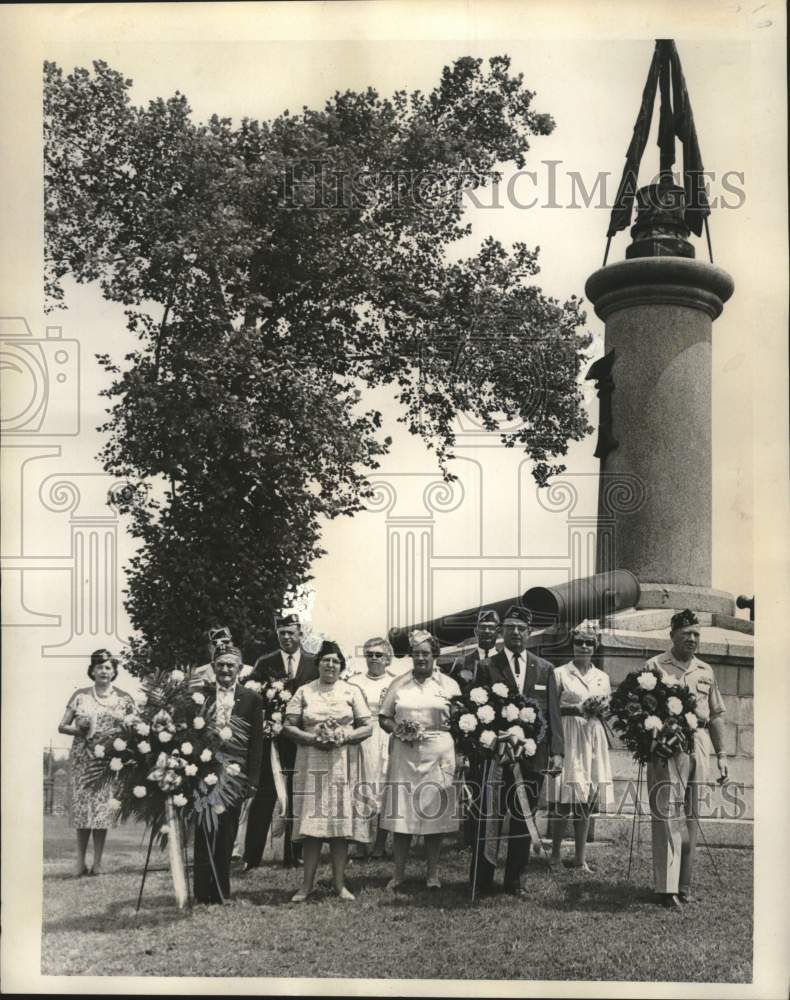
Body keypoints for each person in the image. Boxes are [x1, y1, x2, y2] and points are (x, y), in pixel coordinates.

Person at [470, 605, 564, 897]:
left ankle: (515, 881)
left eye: (521, 629)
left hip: (532, 755)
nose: (516, 633)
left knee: (524, 815)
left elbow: (552, 713)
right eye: (510, 627)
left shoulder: (544, 668)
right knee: (490, 816)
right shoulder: (488, 666)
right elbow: (477, 711)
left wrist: (557, 752)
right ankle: (482, 879)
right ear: (502, 632)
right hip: (497, 757)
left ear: (529, 632)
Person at [644, 608, 727, 909]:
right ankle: (667, 889)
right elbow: (642, 711)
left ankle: (685, 884)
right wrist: (655, 741)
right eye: (686, 634)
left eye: (696, 634)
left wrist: (722, 755)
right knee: (667, 813)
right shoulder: (655, 666)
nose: (692, 639)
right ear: (672, 636)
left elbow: (716, 716)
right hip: (669, 745)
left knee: (692, 814)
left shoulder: (706, 670)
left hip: (699, 741)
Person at [282, 640, 372, 901]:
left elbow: (367, 727)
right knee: (312, 824)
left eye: (335, 661)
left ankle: (339, 885)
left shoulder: (351, 691)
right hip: (311, 761)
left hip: (342, 763)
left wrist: (345, 735)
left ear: (341, 666)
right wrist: (312, 738)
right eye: (326, 660)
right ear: (318, 664)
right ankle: (306, 885)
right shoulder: (304, 691)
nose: (330, 665)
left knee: (339, 826)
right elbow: (289, 726)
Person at [379, 630, 461, 890]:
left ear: (434, 655)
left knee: (434, 812)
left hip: (439, 751)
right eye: (416, 654)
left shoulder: (449, 685)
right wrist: (399, 730)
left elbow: (460, 721)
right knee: (402, 812)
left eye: (425, 653)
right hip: (406, 753)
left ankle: (433, 874)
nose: (421, 658)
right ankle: (398, 874)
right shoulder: (399, 683)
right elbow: (384, 717)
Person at [243, 613, 318, 869]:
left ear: (300, 634)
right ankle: (251, 857)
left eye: (291, 632)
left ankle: (294, 854)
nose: (286, 637)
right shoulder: (266, 662)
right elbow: (251, 695)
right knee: (265, 795)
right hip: (272, 740)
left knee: (298, 793)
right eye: (282, 633)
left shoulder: (313, 662)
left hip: (301, 739)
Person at [193, 644, 263, 904]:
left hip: (235, 775)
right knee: (203, 831)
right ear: (213, 667)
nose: (225, 669)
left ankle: (221, 891)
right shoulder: (201, 696)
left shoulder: (251, 699)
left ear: (239, 669)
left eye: (230, 665)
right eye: (220, 664)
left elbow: (256, 744)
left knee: (226, 833)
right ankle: (201, 892)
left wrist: (252, 781)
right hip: (204, 772)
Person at [57, 649, 135, 876]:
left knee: (101, 812)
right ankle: (80, 862)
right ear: (92, 670)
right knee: (83, 810)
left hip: (108, 762)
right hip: (83, 760)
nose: (103, 671)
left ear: (114, 671)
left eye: (108, 667)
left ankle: (98, 862)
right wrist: (81, 731)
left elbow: (135, 726)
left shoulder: (124, 699)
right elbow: (62, 726)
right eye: (99, 666)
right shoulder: (80, 696)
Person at [548, 619, 613, 872]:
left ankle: (579, 858)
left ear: (595, 647)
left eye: (589, 643)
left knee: (587, 799)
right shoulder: (560, 673)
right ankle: (555, 856)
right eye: (579, 642)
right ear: (572, 644)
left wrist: (600, 709)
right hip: (570, 735)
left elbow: (607, 708)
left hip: (593, 736)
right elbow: (552, 710)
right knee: (565, 798)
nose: (584, 647)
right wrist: (577, 708)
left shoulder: (602, 677)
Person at [349, 637, 395, 858]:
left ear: (388, 658)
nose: (374, 658)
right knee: (361, 786)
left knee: (386, 786)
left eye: (379, 655)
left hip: (387, 735)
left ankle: (380, 845)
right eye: (370, 655)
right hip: (363, 736)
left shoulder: (396, 682)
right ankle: (361, 843)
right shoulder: (354, 682)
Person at [448, 609, 501, 691]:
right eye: (483, 627)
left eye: (491, 627)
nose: (487, 631)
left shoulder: (507, 660)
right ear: (476, 632)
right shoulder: (461, 663)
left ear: (498, 631)